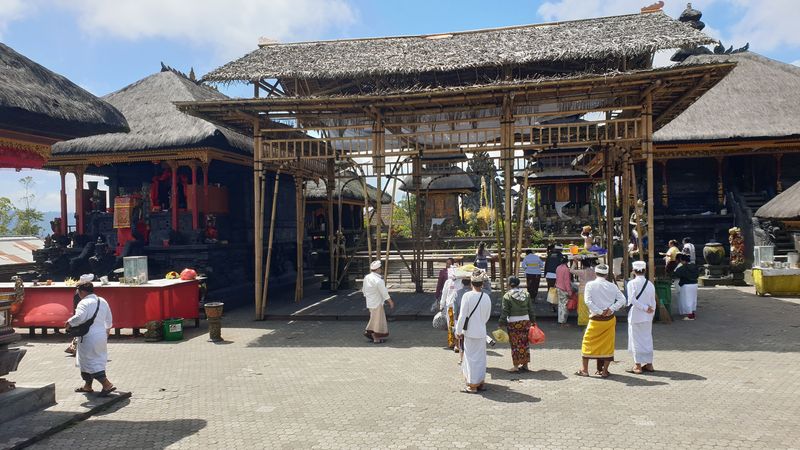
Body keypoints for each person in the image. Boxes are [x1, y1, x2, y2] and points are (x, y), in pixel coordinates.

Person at [66, 277, 116, 396]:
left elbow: (80, 317)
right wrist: (107, 331)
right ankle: (87, 386)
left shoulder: (84, 302)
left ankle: (107, 385)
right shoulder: (102, 300)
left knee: (90, 362)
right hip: (101, 335)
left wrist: (69, 323)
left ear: (81, 291)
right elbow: (109, 319)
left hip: (88, 337)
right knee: (94, 360)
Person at [575, 264, 627, 378]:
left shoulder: (590, 285)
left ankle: (585, 370)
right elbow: (623, 300)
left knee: (587, 342)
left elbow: (588, 301)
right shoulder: (612, 286)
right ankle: (604, 371)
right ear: (607, 274)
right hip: (609, 319)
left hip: (595, 319)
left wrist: (599, 311)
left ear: (595, 273)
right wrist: (611, 309)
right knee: (607, 345)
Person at [455, 270, 492, 393]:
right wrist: (480, 323)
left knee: (470, 358)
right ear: (482, 284)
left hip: (470, 332)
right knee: (481, 358)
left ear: (471, 283)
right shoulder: (486, 296)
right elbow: (487, 316)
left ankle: (472, 385)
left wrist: (458, 331)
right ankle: (480, 382)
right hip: (481, 331)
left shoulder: (467, 296)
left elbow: (462, 315)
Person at [498, 276, 536, 373]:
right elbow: (530, 309)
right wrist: (533, 321)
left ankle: (515, 366)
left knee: (515, 344)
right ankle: (525, 365)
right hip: (526, 321)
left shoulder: (507, 296)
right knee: (524, 343)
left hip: (513, 323)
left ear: (509, 284)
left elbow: (505, 311)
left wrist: (501, 323)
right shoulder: (526, 294)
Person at [626, 261, 656, 374]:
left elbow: (632, 300)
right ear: (645, 270)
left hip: (636, 316)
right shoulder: (650, 284)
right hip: (647, 317)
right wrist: (650, 312)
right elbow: (653, 302)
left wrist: (644, 308)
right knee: (647, 339)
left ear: (634, 271)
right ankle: (649, 364)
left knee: (636, 340)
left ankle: (638, 365)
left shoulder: (631, 284)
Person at [362, 260, 395, 343]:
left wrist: (368, 298)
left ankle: (372, 333)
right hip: (377, 302)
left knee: (374, 318)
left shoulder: (367, 277)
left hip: (370, 302)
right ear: (378, 269)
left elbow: (364, 290)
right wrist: (390, 302)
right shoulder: (379, 280)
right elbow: (384, 293)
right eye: (380, 268)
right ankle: (375, 336)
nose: (381, 270)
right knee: (377, 320)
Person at [570, 257, 597, 327]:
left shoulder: (582, 272)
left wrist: (574, 263)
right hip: (592, 291)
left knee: (582, 307)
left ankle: (583, 321)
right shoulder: (594, 271)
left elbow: (571, 270)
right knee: (590, 306)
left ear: (583, 264)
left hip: (582, 291)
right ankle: (591, 320)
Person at [673, 253, 699, 320]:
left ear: (682, 260)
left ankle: (690, 316)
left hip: (686, 285)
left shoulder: (682, 267)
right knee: (693, 299)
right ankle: (692, 314)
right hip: (694, 284)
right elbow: (698, 274)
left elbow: (676, 274)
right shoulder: (694, 266)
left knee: (687, 300)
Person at [440, 268, 459, 351]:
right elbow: (444, 294)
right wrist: (442, 305)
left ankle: (457, 344)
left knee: (457, 325)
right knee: (451, 325)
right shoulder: (448, 282)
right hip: (450, 307)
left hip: (458, 307)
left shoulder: (460, 282)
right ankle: (452, 342)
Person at [555, 255, 572, 328]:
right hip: (564, 289)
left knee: (560, 305)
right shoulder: (566, 269)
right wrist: (569, 291)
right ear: (567, 261)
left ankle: (560, 320)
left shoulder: (558, 267)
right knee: (564, 306)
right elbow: (567, 281)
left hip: (558, 287)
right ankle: (563, 322)